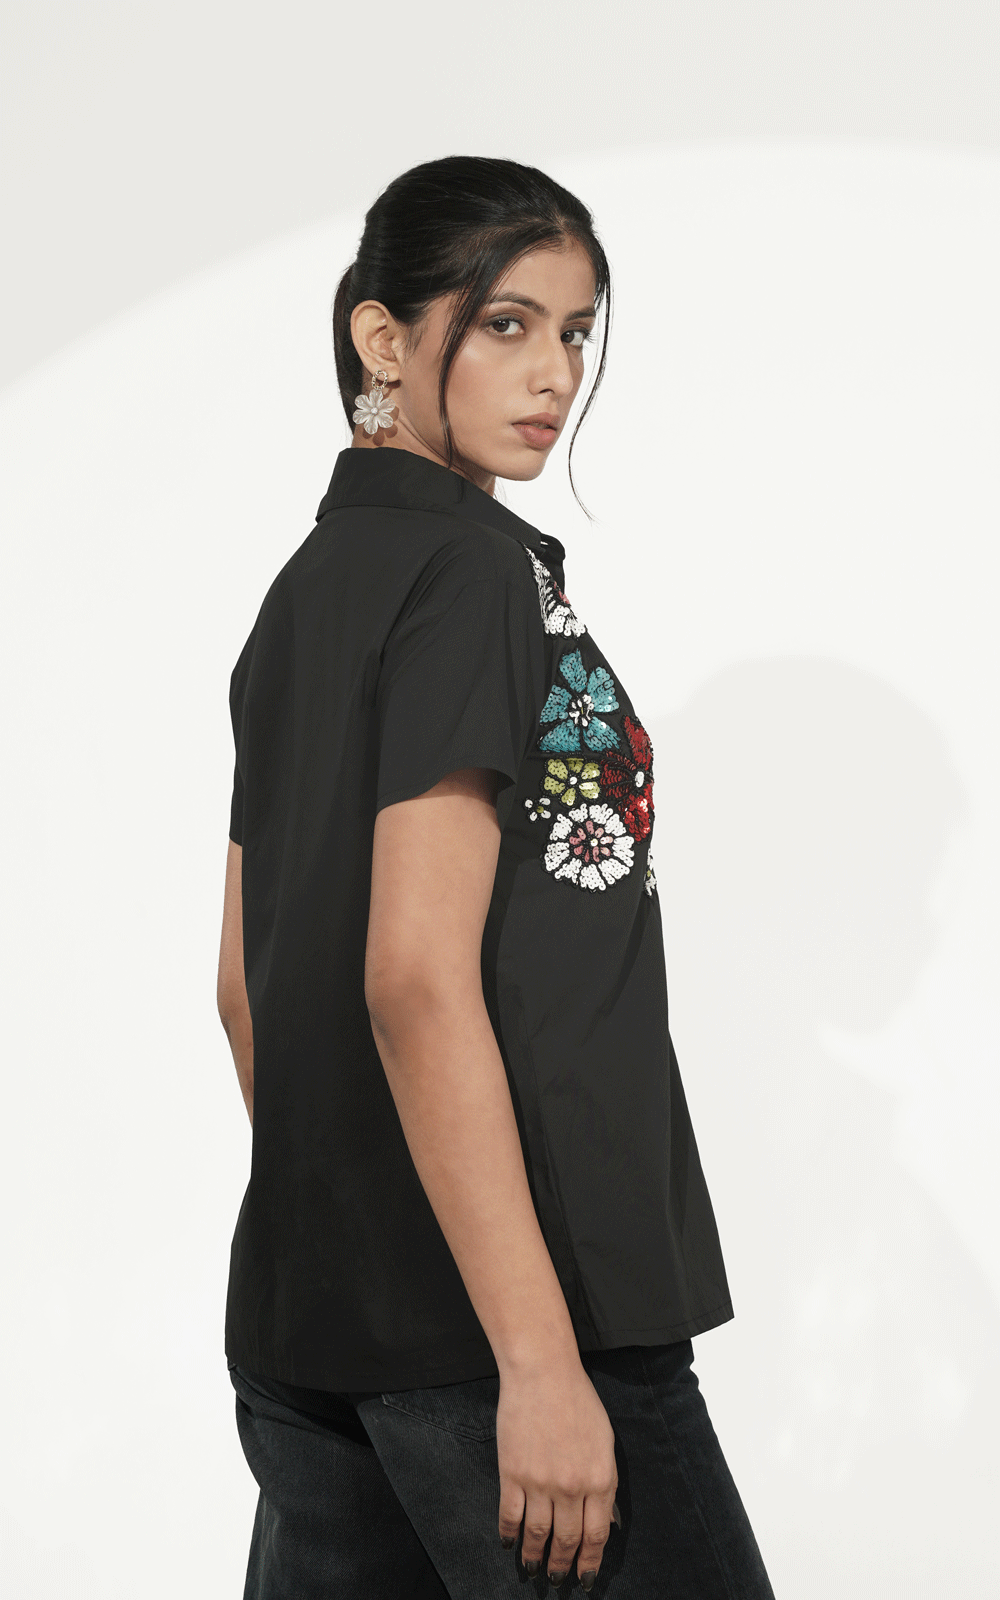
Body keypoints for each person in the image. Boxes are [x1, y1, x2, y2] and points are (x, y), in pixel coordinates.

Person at [216, 155, 776, 1599]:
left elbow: (244, 985)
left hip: (316, 1311)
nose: (556, 375)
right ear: (384, 338)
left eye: (577, 331)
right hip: (523, 1316)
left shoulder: (304, 590)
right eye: (508, 323)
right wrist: (532, 1356)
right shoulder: (468, 577)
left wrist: (365, 1246)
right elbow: (411, 974)